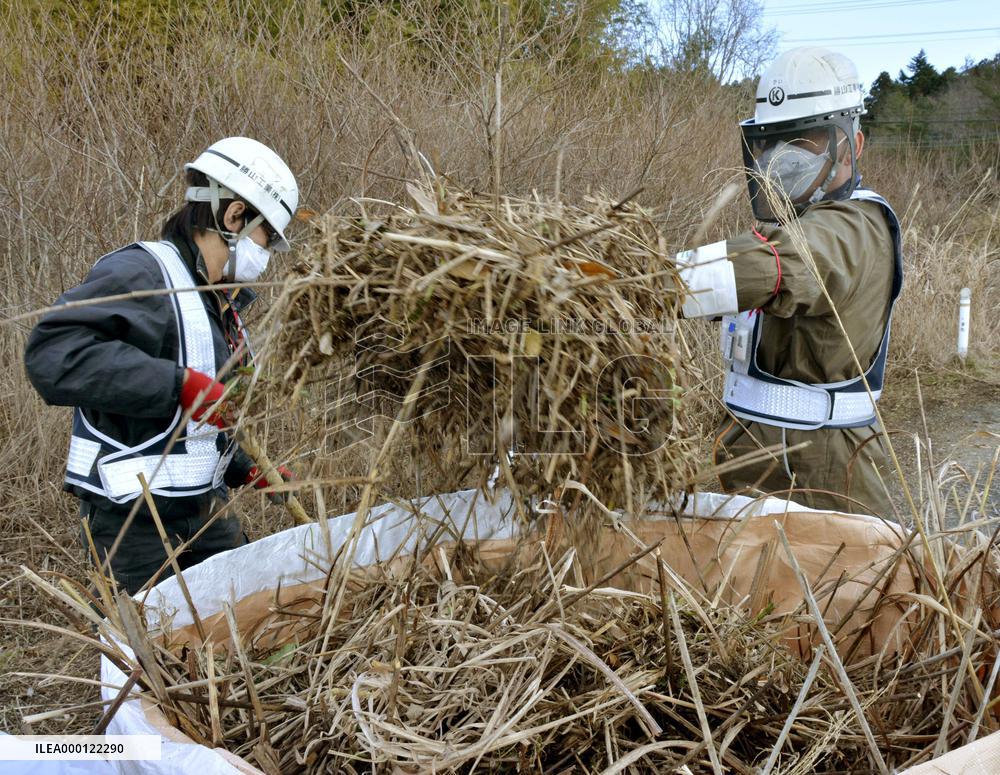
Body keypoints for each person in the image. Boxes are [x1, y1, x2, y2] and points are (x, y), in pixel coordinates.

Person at [24, 136, 298, 594]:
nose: (266, 254)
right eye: (266, 237)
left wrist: (244, 467)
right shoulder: (144, 275)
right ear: (234, 216)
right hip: (133, 523)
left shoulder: (219, 303)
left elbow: (198, 421)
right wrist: (177, 385)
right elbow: (52, 355)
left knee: (248, 614)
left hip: (205, 512)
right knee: (149, 638)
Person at [676, 47, 903, 516]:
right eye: (773, 142)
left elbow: (780, 264)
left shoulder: (854, 227)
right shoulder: (792, 222)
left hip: (821, 469)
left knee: (835, 566)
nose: (783, 157)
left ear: (851, 146)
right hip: (757, 458)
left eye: (805, 140)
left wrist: (642, 284)